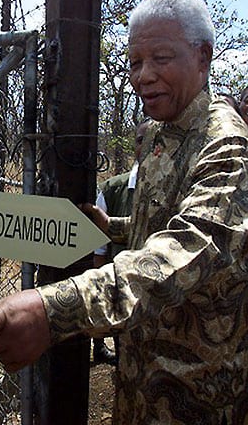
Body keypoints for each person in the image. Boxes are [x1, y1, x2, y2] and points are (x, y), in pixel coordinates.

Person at [0, 0, 248, 424]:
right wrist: (117, 226)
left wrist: (53, 309)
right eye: (135, 63)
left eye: (160, 58)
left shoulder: (227, 146)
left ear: (203, 57)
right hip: (143, 375)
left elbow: (185, 253)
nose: (143, 76)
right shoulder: (165, 130)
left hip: (201, 392)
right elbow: (168, 220)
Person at [92, 118, 151, 366]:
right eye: (140, 141)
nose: (146, 146)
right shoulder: (113, 189)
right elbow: (99, 249)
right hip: (124, 292)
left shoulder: (184, 188)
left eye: (153, 140)